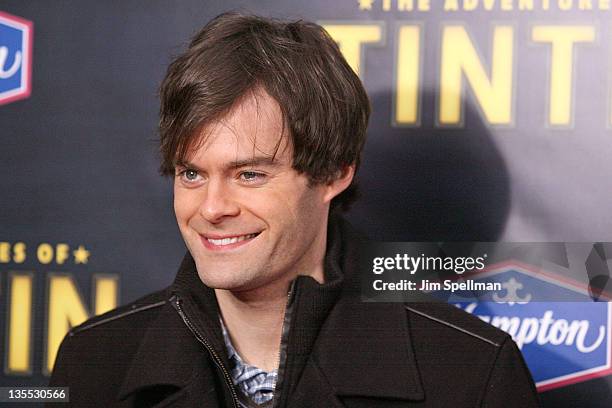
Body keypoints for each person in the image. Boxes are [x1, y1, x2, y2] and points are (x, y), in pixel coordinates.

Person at [48, 12, 539, 408]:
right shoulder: (95, 361)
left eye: (250, 175)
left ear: (332, 174)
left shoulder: (470, 373)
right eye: (191, 173)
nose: (212, 208)